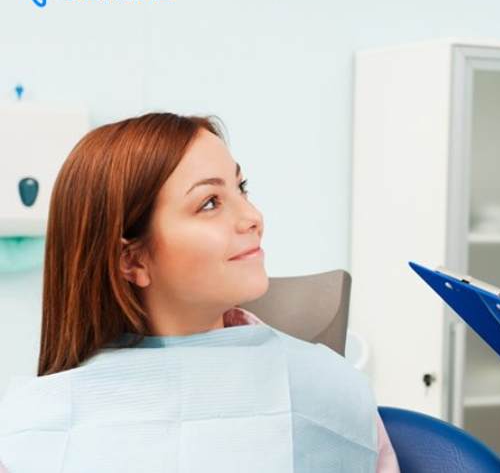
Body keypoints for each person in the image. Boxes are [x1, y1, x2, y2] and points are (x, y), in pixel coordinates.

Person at [0, 113, 399, 472]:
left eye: (242, 188)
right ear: (132, 260)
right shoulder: (30, 432)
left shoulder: (328, 390)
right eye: (209, 203)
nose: (253, 217)